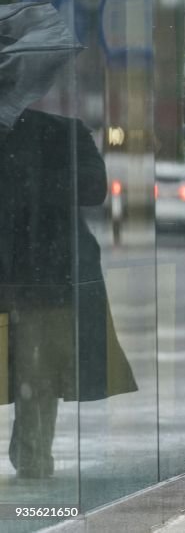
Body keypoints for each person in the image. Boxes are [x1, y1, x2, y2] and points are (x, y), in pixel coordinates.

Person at [1, 109, 137, 478]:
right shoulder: (57, 130)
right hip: (28, 268)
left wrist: (32, 177)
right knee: (32, 368)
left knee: (36, 368)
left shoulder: (59, 131)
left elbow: (94, 188)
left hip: (42, 272)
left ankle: (33, 457)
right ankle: (31, 454)